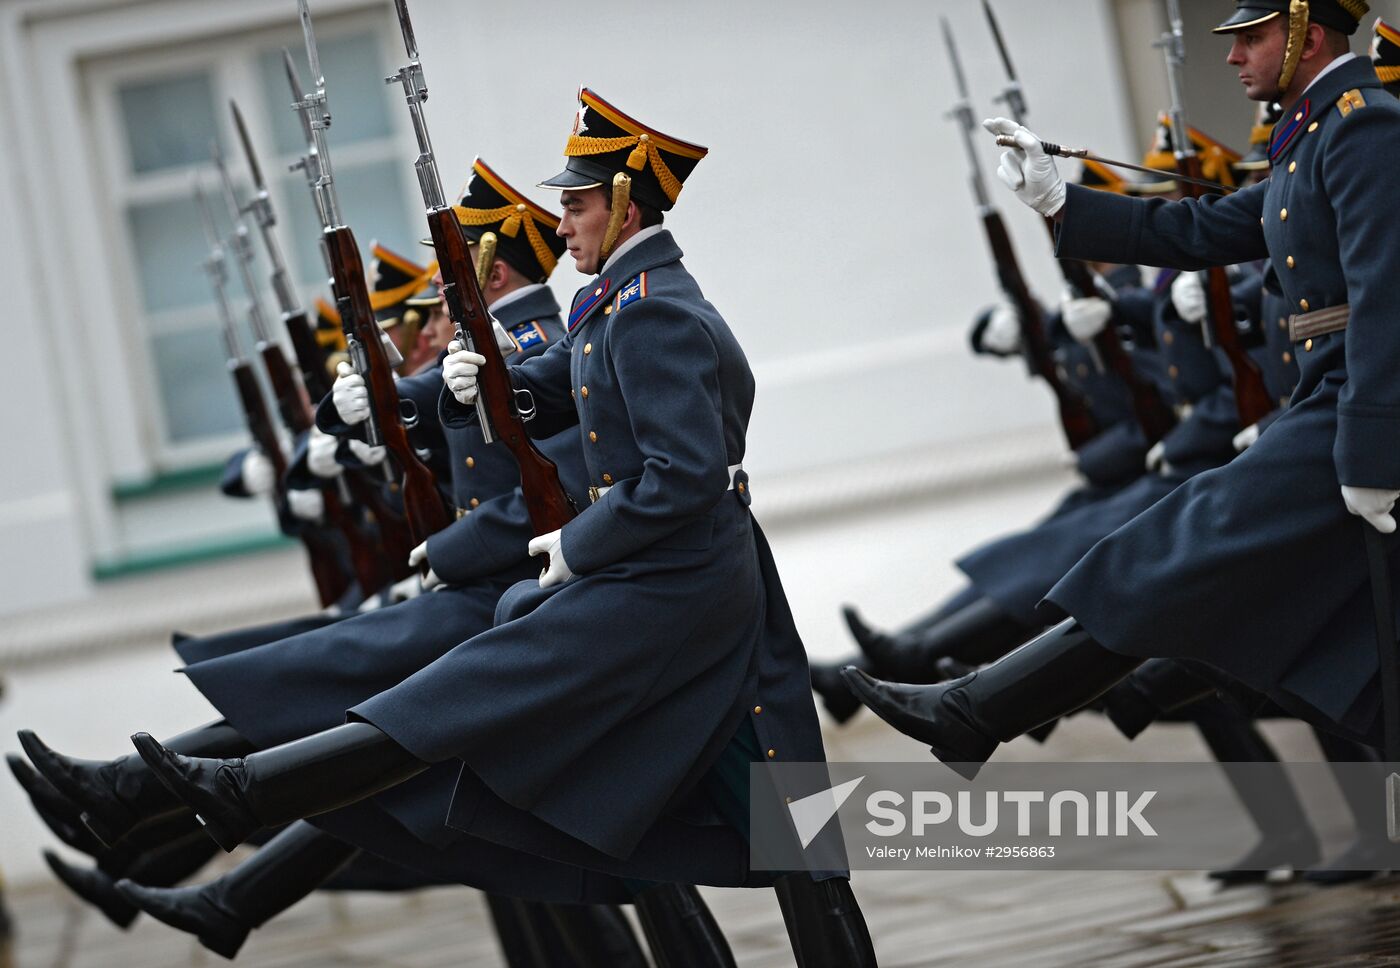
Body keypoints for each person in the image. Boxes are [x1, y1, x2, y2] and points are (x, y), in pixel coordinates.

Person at [20, 95, 877, 967]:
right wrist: (432, 396)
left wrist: (573, 543)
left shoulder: (649, 308)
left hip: (674, 586)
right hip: (672, 585)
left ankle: (230, 797)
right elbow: (553, 395)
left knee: (484, 712)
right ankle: (217, 808)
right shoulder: (616, 304)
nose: (565, 222)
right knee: (747, 831)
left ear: (626, 203)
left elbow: (680, 477)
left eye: (577, 205)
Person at [845, 0, 1400, 788]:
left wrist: (1377, 441)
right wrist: (1059, 202)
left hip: (1353, 403)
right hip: (1328, 400)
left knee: (1182, 542)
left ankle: (978, 710)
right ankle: (977, 710)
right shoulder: (1313, 134)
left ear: (1308, 37)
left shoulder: (1362, 126)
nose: (1235, 56)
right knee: (1203, 560)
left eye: (1251, 37)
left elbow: (1387, 295)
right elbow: (1200, 231)